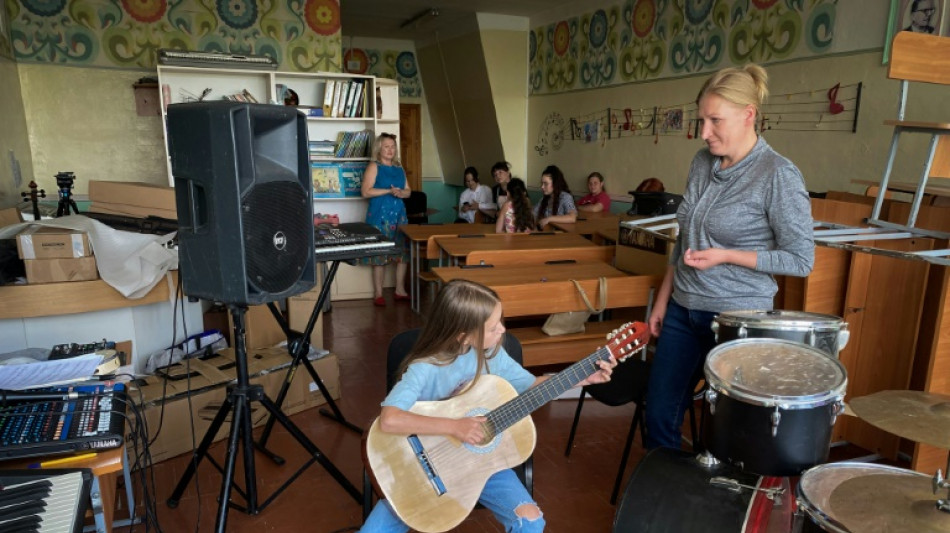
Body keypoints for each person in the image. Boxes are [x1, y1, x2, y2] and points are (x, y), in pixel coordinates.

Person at [643, 64, 815, 451]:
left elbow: (800, 260)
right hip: (682, 311)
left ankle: (712, 490)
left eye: (715, 120)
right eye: (701, 120)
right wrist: (663, 299)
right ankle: (667, 487)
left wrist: (727, 256)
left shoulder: (777, 174)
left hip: (737, 320)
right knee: (658, 415)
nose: (704, 132)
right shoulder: (702, 162)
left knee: (725, 433)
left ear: (748, 114)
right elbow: (684, 237)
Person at [359, 279, 616, 532]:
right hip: (422, 470)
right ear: (464, 336)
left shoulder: (492, 354)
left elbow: (530, 387)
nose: (502, 330)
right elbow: (390, 419)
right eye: (493, 327)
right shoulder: (425, 367)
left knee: (530, 523)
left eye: (500, 321)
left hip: (481, 464)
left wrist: (583, 377)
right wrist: (455, 427)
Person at [361, 133, 411, 307]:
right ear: (379, 149)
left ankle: (400, 290)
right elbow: (365, 192)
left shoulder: (399, 168)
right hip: (379, 216)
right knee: (379, 253)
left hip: (399, 215)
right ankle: (378, 293)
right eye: (386, 146)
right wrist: (388, 191)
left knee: (403, 252)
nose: (390, 150)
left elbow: (408, 191)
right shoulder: (374, 166)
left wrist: (401, 192)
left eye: (393, 146)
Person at [533, 165, 577, 229]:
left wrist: (549, 219)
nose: (542, 187)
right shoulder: (544, 199)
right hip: (548, 232)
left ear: (555, 183)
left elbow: (572, 218)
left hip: (560, 234)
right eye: (542, 183)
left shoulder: (565, 197)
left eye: (546, 184)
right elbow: (533, 214)